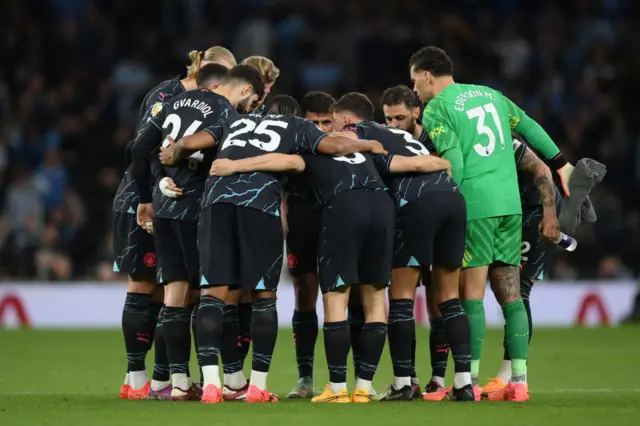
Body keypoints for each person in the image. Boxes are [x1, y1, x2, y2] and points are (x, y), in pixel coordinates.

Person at [177, 93, 384, 404]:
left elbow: (191, 143)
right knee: (263, 296)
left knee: (213, 294)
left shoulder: (232, 121)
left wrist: (173, 151)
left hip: (215, 203)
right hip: (258, 204)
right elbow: (319, 151)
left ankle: (210, 384)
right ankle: (258, 387)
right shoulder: (294, 127)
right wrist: (367, 144)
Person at [409, 46, 565, 402]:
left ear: (427, 75)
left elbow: (454, 163)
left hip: (475, 205)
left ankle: (471, 381)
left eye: (415, 80)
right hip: (510, 205)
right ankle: (520, 382)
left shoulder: (438, 107)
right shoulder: (491, 95)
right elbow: (530, 128)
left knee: (471, 295)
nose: (414, 89)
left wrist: (451, 207)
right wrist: (561, 162)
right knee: (511, 296)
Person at [331, 93, 474, 402]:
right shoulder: (401, 134)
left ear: (345, 121)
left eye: (331, 123)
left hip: (416, 201)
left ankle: (402, 383)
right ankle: (463, 382)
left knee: (401, 300)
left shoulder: (359, 133)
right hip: (452, 198)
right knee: (449, 297)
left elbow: (391, 163)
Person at [112, 45, 236, 400]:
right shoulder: (167, 94)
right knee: (147, 284)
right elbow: (141, 148)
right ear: (212, 74)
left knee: (172, 288)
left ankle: (165, 379)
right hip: (146, 199)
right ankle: (137, 377)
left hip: (169, 200)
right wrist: (154, 186)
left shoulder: (205, 102)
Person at [481, 133, 562, 397]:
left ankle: (512, 376)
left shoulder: (504, 141)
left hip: (530, 215)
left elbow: (542, 169)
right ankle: (512, 375)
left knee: (517, 292)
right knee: (505, 289)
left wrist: (549, 214)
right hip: (507, 214)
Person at [381, 84, 447, 396]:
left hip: (435, 225)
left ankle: (438, 378)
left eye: (399, 117)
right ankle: (407, 379)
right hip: (401, 225)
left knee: (438, 304)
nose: (393, 124)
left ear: (416, 112)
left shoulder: (436, 137)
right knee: (402, 303)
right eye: (388, 118)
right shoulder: (384, 138)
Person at [221, 56, 281, 396]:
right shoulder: (227, 113)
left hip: (258, 205)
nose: (265, 91)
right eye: (262, 83)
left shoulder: (276, 115)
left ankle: (240, 378)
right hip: (228, 206)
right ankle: (227, 376)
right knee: (224, 293)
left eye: (270, 84)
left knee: (249, 293)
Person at [285, 91, 335, 399]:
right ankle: (305, 378)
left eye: (326, 122)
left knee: (340, 296)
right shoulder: (291, 145)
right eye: (313, 122)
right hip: (302, 219)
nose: (319, 128)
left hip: (337, 219)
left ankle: (341, 379)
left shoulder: (344, 147)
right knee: (305, 291)